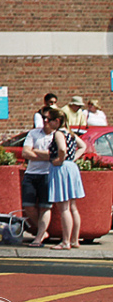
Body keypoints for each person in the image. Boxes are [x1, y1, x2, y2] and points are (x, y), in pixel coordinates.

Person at [47, 107, 86, 250]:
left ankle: (65, 242)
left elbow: (62, 149)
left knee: (64, 208)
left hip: (61, 169)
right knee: (73, 207)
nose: (47, 122)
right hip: (72, 168)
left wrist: (60, 160)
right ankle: (75, 240)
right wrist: (72, 159)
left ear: (57, 121)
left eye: (49, 120)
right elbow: (83, 146)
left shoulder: (58, 134)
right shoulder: (71, 133)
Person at [19, 111, 56, 246]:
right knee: (28, 206)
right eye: (44, 118)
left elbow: (54, 156)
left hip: (47, 174)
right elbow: (25, 153)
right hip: (31, 173)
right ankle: (42, 230)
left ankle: (39, 237)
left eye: (48, 118)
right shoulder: (33, 133)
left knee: (45, 207)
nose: (45, 120)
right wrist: (46, 155)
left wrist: (35, 152)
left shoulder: (57, 135)